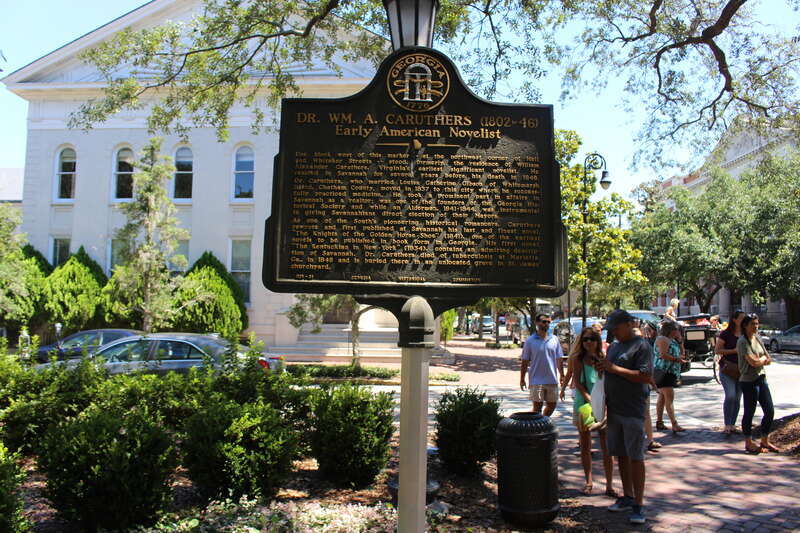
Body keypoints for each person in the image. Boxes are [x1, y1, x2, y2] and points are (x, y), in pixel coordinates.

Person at [595, 310, 653, 524]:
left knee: (636, 456)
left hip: (632, 410)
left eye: (616, 328)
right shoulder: (615, 346)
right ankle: (627, 495)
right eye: (611, 330)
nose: (614, 333)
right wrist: (602, 368)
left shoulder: (642, 346)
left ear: (628, 324)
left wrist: (614, 368)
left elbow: (645, 376)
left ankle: (638, 503)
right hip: (614, 410)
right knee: (621, 454)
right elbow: (610, 370)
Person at [567, 327, 615, 496]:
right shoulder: (577, 358)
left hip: (602, 403)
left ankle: (609, 485)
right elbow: (577, 383)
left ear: (597, 341)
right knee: (585, 443)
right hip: (585, 403)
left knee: (606, 445)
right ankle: (588, 481)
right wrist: (590, 399)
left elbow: (607, 382)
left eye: (591, 339)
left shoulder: (603, 358)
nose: (588, 342)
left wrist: (603, 402)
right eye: (585, 339)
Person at [737, 314, 779, 454]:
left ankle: (764, 440)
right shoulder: (742, 342)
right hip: (748, 381)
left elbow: (769, 359)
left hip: (761, 378)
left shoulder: (758, 338)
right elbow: (753, 362)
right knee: (749, 411)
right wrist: (760, 360)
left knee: (770, 410)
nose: (755, 326)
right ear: (745, 326)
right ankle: (748, 442)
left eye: (757, 323)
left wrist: (760, 359)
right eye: (752, 324)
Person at [520, 313, 564, 417]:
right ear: (537, 323)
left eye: (549, 322)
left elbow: (559, 359)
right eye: (544, 321)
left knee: (552, 405)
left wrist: (562, 375)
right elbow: (525, 361)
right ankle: (536, 429)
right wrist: (522, 379)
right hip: (536, 380)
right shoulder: (530, 340)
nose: (547, 324)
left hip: (552, 379)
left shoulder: (554, 339)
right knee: (537, 409)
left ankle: (543, 421)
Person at [654, 321, 687, 434]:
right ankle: (674, 423)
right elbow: (663, 354)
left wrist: (680, 341)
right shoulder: (663, 339)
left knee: (663, 398)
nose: (679, 332)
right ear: (672, 330)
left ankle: (659, 422)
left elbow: (682, 352)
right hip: (664, 371)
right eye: (677, 330)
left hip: (670, 372)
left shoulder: (672, 340)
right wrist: (677, 359)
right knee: (669, 398)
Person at [715, 310, 745, 435]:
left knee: (737, 398)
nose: (744, 321)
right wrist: (734, 351)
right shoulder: (725, 334)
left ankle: (733, 424)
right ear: (735, 319)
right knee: (731, 395)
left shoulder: (746, 334)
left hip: (742, 370)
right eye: (741, 318)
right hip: (728, 369)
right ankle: (727, 424)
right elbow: (718, 350)